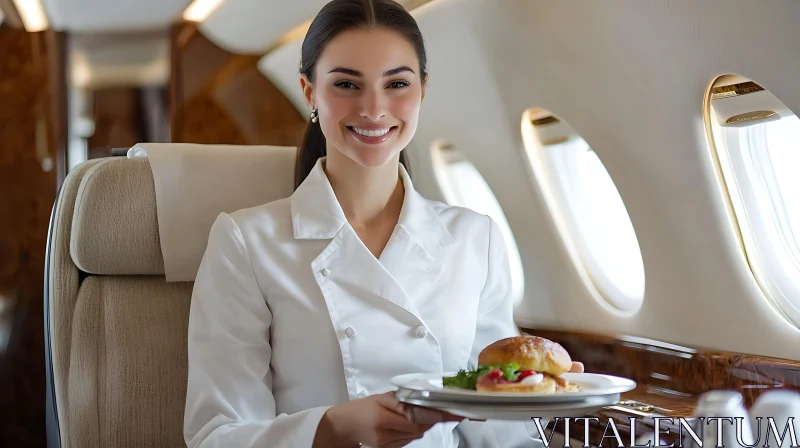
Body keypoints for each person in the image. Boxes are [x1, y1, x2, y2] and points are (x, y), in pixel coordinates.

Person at [183, 0, 583, 447]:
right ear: (309, 92)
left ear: (423, 90)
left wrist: (539, 391)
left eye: (396, 83)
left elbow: (500, 433)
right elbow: (215, 436)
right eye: (346, 84)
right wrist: (334, 428)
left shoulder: (476, 238)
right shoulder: (248, 243)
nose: (374, 108)